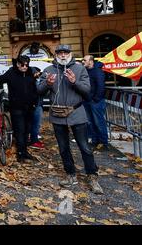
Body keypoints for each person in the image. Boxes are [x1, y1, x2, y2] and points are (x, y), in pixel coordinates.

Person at [38, 45, 103, 194]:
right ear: (55, 55)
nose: (62, 55)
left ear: (70, 54)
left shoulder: (80, 69)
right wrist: (46, 84)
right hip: (57, 114)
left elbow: (87, 91)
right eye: (59, 53)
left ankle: (92, 176)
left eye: (65, 52)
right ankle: (70, 174)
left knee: (84, 147)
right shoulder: (49, 70)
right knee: (63, 147)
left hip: (76, 113)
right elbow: (39, 91)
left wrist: (75, 82)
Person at [0, 55, 38, 163]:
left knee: (27, 131)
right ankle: (20, 154)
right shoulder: (11, 72)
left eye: (27, 65)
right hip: (16, 108)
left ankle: (24, 151)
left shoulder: (30, 71)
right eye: (22, 65)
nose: (25, 67)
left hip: (29, 107)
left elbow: (35, 86)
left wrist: (35, 102)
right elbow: (0, 79)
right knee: (19, 131)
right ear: (17, 64)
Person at [82, 55, 109, 150]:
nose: (83, 61)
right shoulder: (86, 71)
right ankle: (95, 141)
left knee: (99, 122)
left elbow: (101, 86)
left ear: (91, 61)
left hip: (96, 102)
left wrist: (96, 99)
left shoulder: (98, 71)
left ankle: (103, 142)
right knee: (90, 122)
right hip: (87, 101)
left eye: (84, 60)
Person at [29, 67, 45, 149]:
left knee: (33, 124)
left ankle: (32, 138)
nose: (39, 74)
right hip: (36, 105)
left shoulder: (33, 81)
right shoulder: (34, 82)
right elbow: (39, 91)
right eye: (37, 73)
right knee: (36, 124)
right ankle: (34, 141)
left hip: (36, 104)